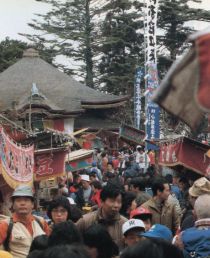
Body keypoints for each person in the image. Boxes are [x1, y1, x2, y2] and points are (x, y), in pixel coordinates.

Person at [0, 185, 49, 258]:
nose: (22, 203)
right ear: (13, 205)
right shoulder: (5, 225)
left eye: (26, 200)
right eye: (18, 200)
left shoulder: (41, 222)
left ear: (32, 204)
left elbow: (50, 245)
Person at [76, 183, 127, 250]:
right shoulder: (85, 221)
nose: (116, 205)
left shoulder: (125, 224)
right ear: (102, 201)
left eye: (119, 202)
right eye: (112, 201)